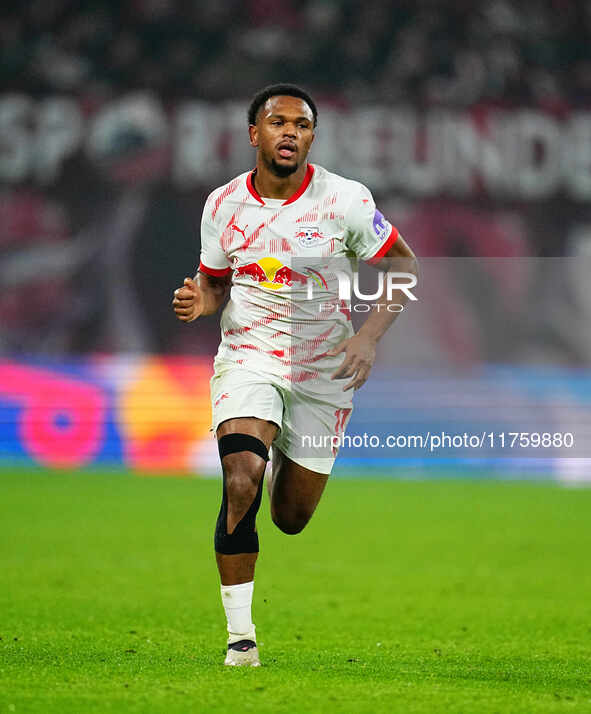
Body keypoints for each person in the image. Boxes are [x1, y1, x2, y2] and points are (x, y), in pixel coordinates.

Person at [172, 84, 417, 666]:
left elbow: (404, 265)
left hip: (324, 369)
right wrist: (201, 302)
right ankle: (241, 639)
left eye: (302, 125)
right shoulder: (223, 205)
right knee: (239, 479)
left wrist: (367, 336)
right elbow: (215, 280)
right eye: (277, 122)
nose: (290, 132)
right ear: (253, 133)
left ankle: (280, 447)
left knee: (290, 517)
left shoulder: (345, 202)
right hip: (249, 354)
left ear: (311, 136)